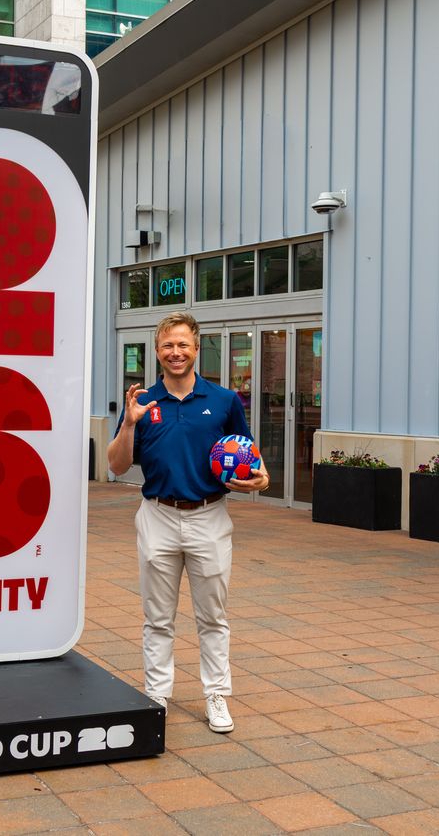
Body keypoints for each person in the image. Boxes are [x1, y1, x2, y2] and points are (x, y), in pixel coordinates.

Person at [107, 312, 269, 733]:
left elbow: (249, 454)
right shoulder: (144, 403)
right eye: (167, 345)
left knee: (212, 616)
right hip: (157, 515)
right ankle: (157, 693)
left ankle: (216, 693)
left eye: (183, 345)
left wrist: (263, 478)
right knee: (157, 616)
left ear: (197, 349)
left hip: (209, 516)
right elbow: (117, 465)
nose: (175, 353)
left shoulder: (224, 400)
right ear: (157, 351)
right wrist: (129, 423)